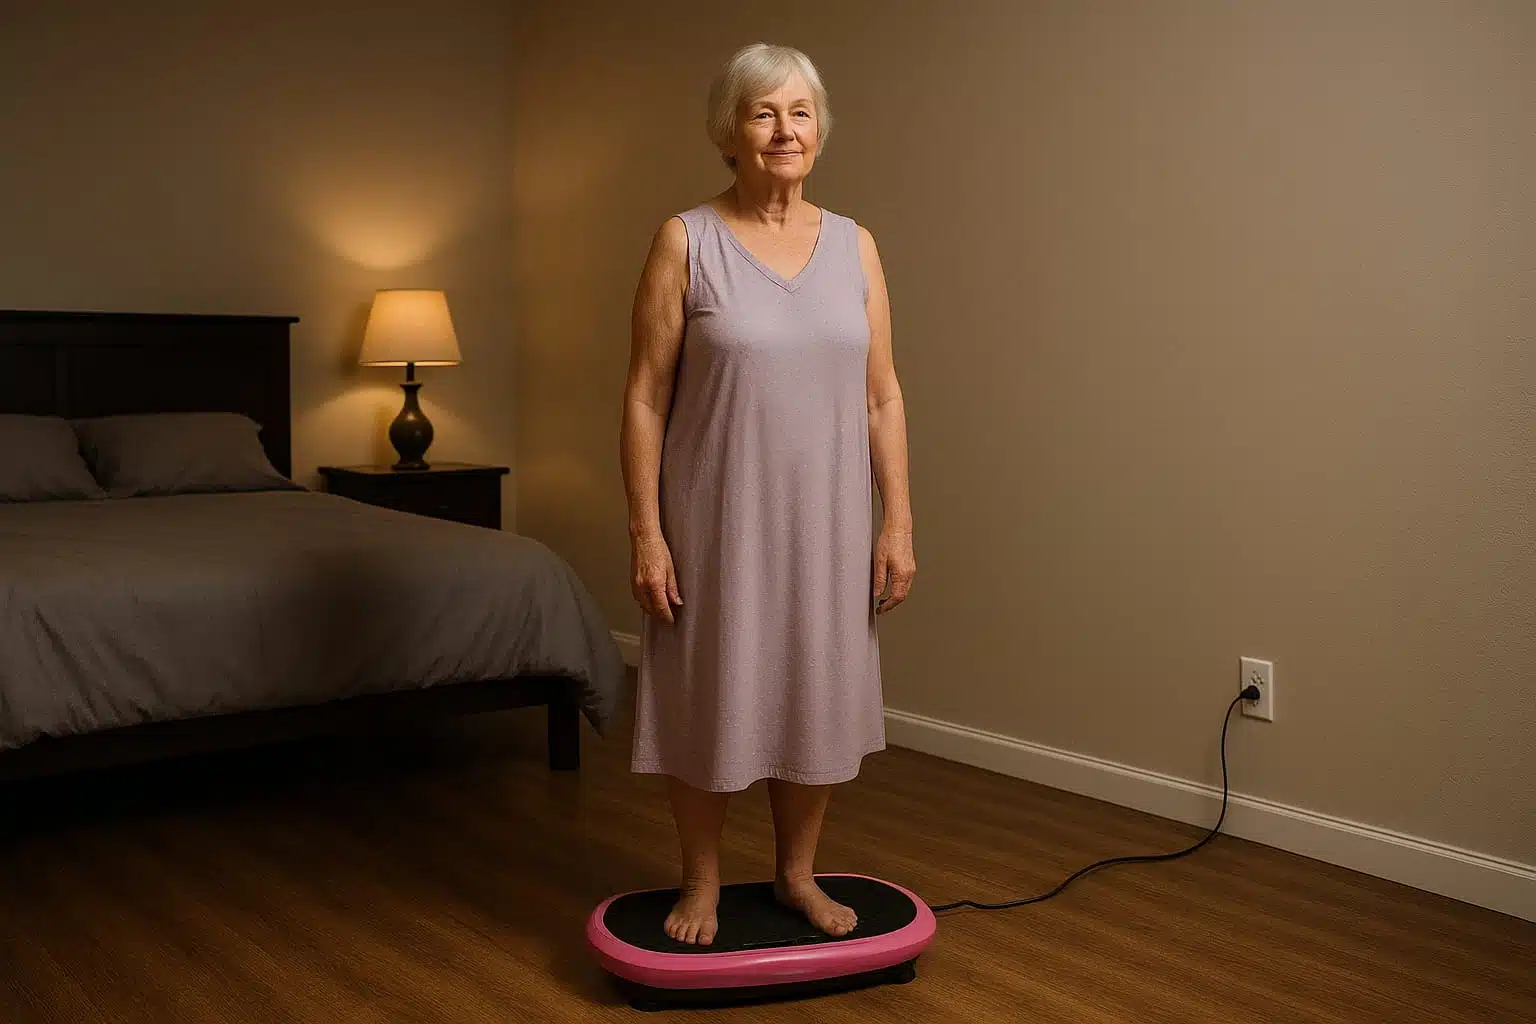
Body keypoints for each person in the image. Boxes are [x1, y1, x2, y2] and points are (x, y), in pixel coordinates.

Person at [619, 42, 915, 947]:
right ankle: (701, 884)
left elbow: (882, 394)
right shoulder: (686, 239)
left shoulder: (856, 245)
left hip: (828, 520)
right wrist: (646, 532)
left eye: (799, 113)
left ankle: (795, 875)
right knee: (709, 690)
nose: (784, 130)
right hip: (713, 520)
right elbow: (644, 394)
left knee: (815, 691)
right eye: (764, 113)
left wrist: (897, 519)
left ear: (819, 131)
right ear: (730, 133)